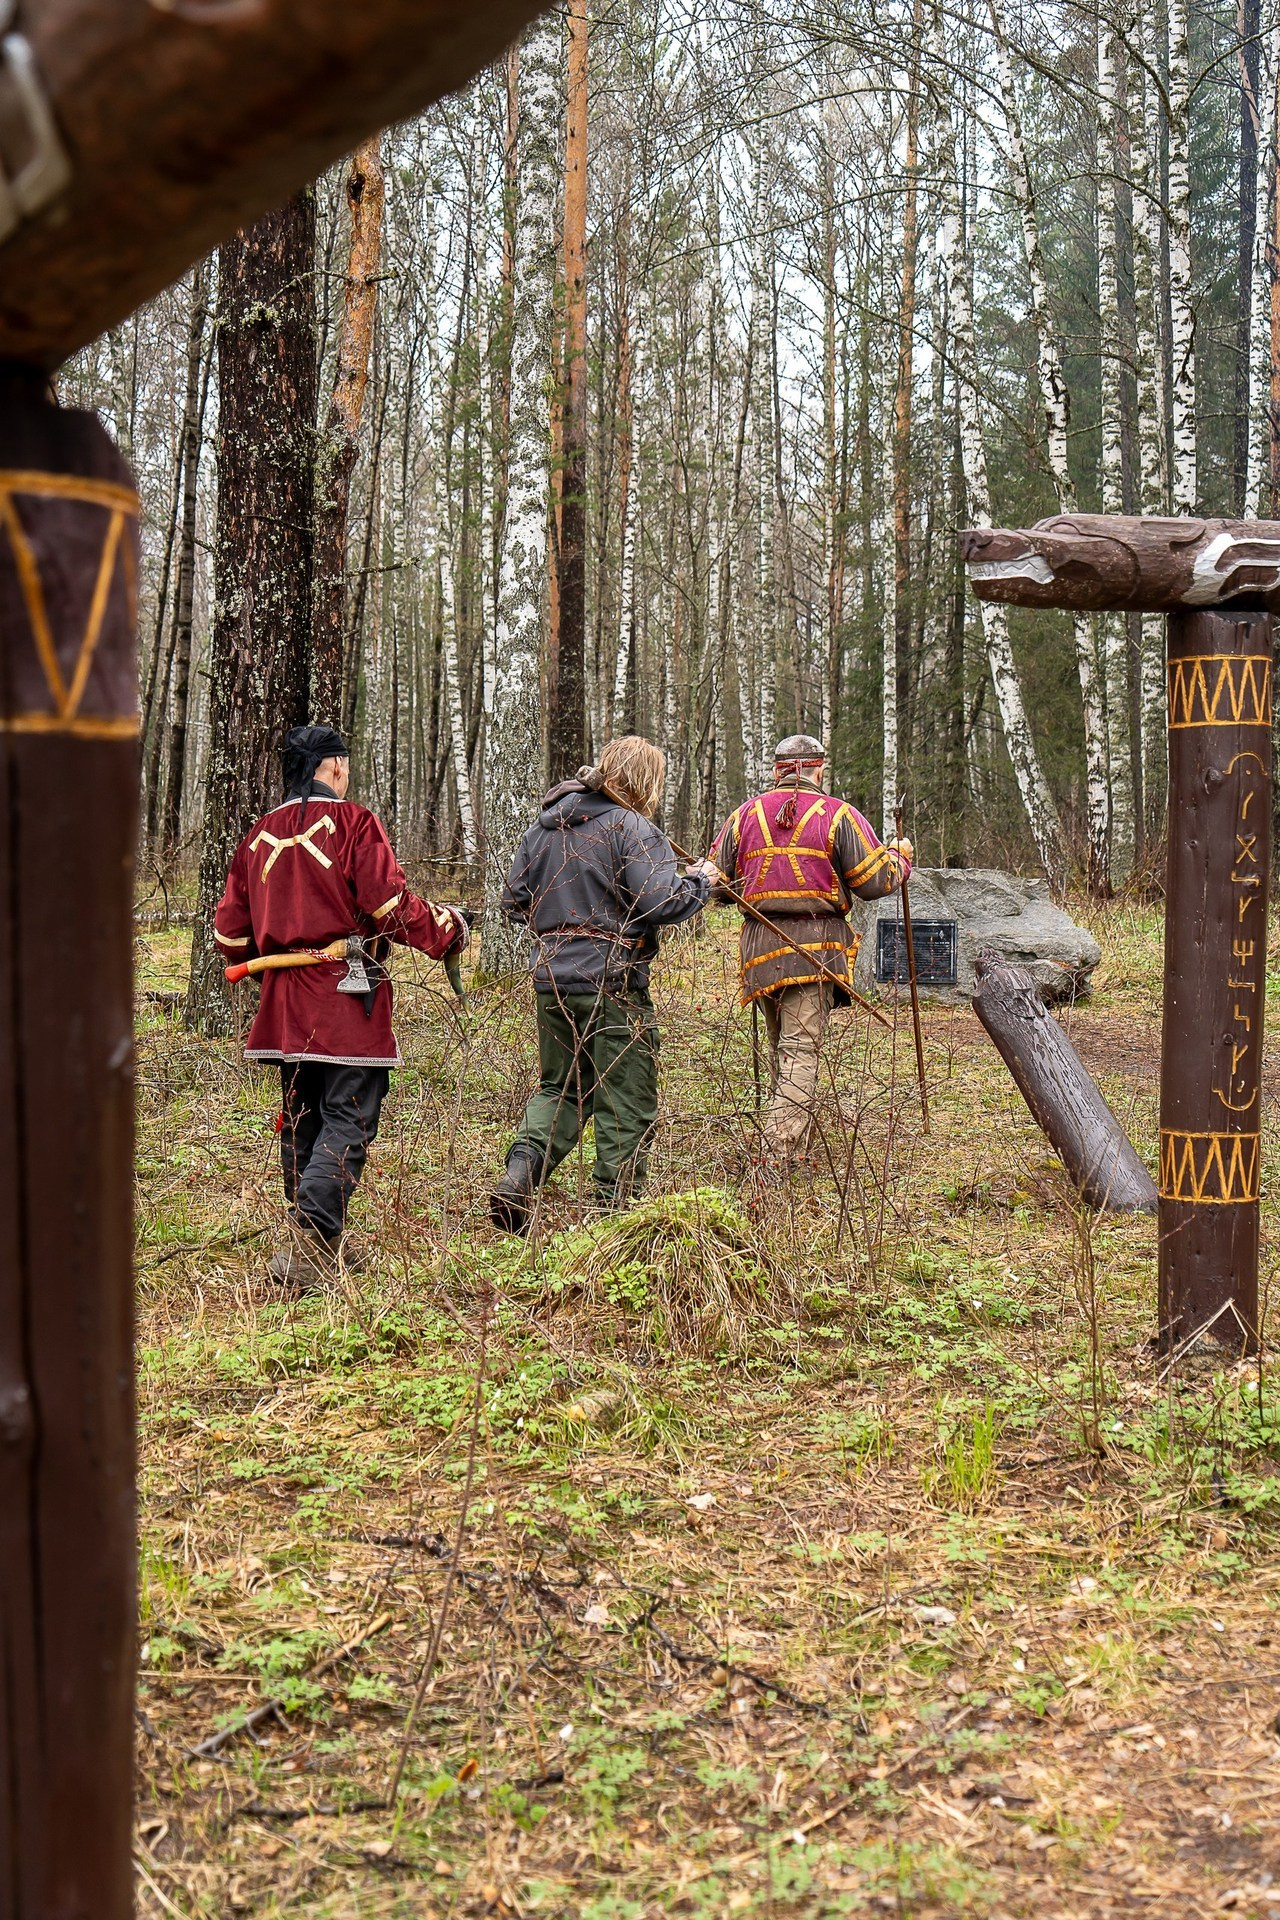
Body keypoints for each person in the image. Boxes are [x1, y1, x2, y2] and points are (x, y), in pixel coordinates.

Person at [214, 723, 467, 1289]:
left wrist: (277, 946)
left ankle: (318, 1244)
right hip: (344, 1001)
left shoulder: (256, 837)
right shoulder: (354, 824)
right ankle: (310, 1244)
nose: (347, 776)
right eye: (344, 766)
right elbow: (390, 906)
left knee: (301, 1118)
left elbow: (230, 938)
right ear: (331, 768)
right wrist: (448, 933)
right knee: (347, 1117)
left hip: (281, 1006)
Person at [489, 735, 711, 1232]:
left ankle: (520, 1175)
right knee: (625, 1094)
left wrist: (559, 927)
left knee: (560, 1087)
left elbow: (512, 900)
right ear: (646, 781)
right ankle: (616, 1215)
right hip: (612, 981)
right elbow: (660, 902)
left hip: (550, 981)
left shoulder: (543, 829)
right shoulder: (633, 827)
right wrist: (702, 882)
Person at [709, 734, 913, 1167]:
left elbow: (717, 884)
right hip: (815, 948)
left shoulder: (743, 815)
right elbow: (875, 881)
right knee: (799, 1050)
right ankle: (775, 1157)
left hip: (759, 945)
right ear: (818, 769)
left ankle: (789, 1146)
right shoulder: (839, 815)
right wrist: (900, 858)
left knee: (782, 1045)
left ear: (777, 770)